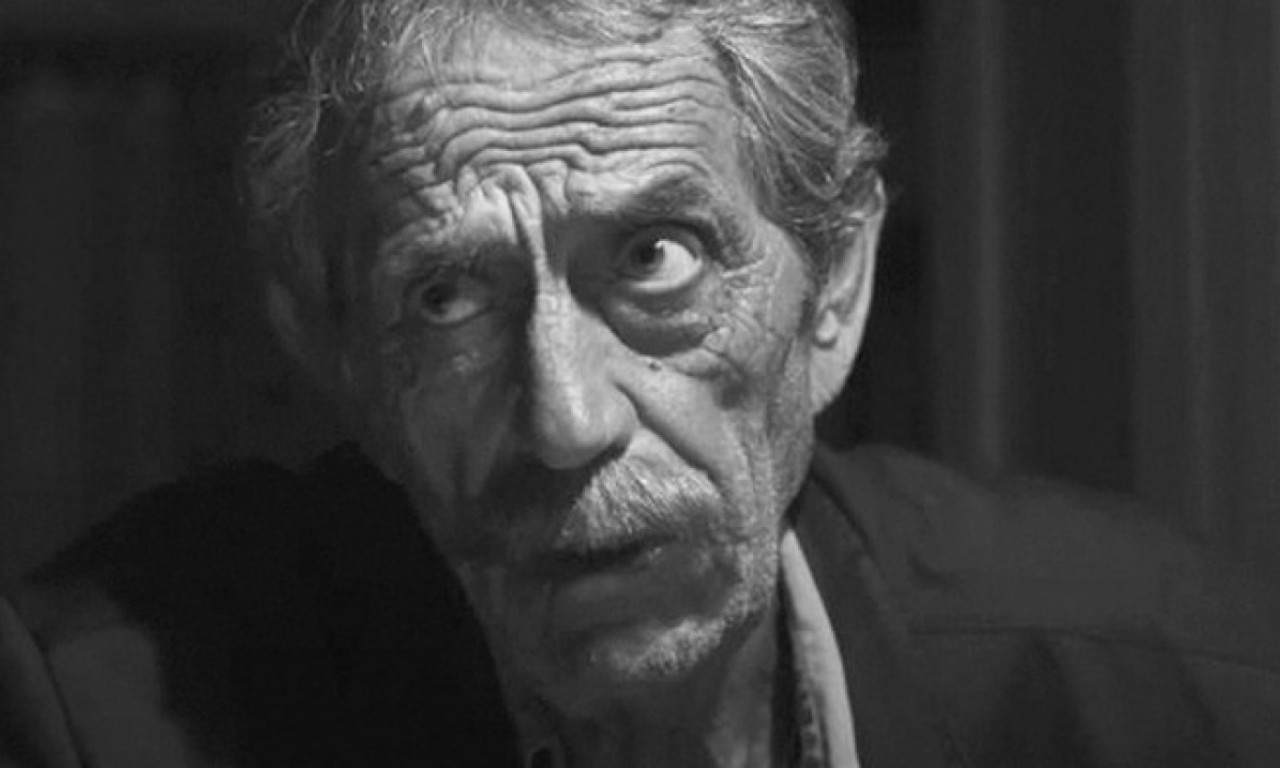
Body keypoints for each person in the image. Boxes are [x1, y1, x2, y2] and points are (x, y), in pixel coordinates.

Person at [2, 0, 1278, 766]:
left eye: (654, 259)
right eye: (446, 299)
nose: (566, 422)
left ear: (832, 287)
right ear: (341, 360)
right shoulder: (86, 722)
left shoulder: (1185, 699)